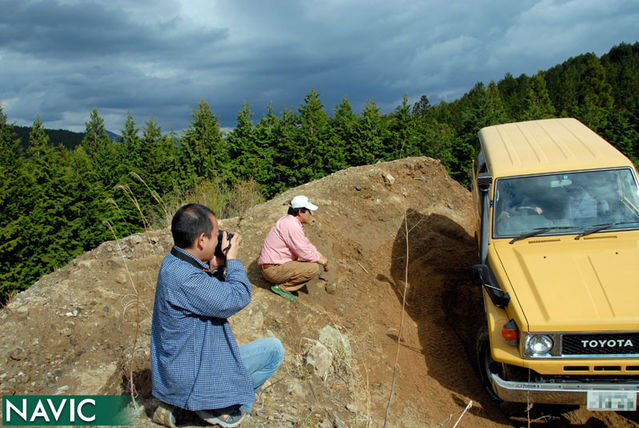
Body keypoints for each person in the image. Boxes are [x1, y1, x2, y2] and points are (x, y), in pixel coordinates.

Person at [151, 203, 284, 428]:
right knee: (274, 351)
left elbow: (203, 293)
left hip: (178, 368)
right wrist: (232, 261)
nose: (218, 241)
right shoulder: (186, 277)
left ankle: (180, 401)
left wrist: (216, 266)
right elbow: (236, 297)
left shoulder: (173, 263)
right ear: (201, 240)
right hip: (195, 375)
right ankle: (220, 405)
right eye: (215, 236)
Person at [258, 195, 329, 302]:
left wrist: (321, 257)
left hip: (274, 265)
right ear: (301, 212)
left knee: (307, 260)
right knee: (313, 268)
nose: (311, 214)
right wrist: (321, 261)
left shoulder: (290, 221)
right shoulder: (291, 225)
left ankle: (280, 280)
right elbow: (303, 252)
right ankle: (282, 288)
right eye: (309, 211)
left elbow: (305, 244)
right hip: (273, 269)